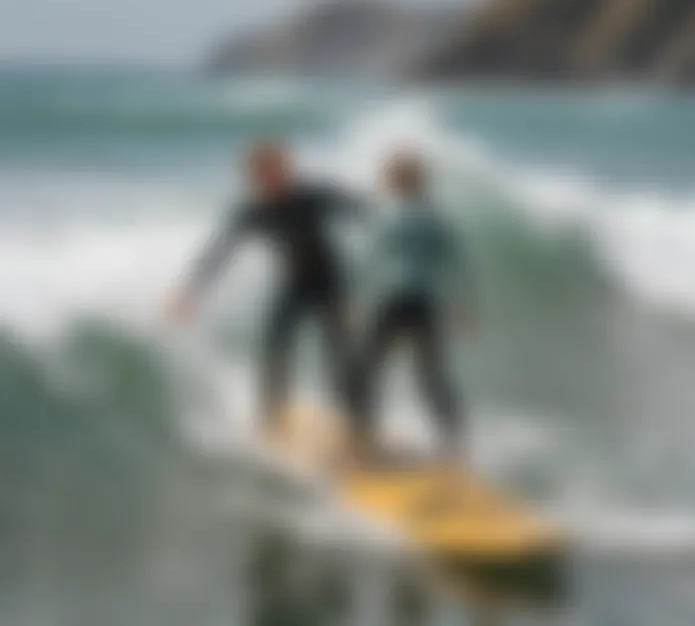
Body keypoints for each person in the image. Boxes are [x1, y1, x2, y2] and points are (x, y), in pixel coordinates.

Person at [165, 138, 362, 436]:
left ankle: (355, 426)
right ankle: (271, 420)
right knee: (274, 351)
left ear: (287, 171)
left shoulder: (313, 197)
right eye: (264, 175)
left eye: (279, 171)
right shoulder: (253, 211)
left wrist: (350, 296)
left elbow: (362, 211)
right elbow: (220, 251)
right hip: (293, 286)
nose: (273, 180)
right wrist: (191, 290)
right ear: (254, 178)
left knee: (338, 357)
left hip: (330, 287)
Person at [355, 149, 477, 463]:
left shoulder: (390, 215)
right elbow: (457, 264)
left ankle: (365, 439)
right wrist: (463, 304)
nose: (387, 181)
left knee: (370, 370)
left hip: (397, 301)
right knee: (430, 374)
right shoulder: (435, 217)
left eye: (392, 175)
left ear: (401, 180)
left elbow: (372, 262)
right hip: (422, 302)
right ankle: (454, 443)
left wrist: (358, 301)